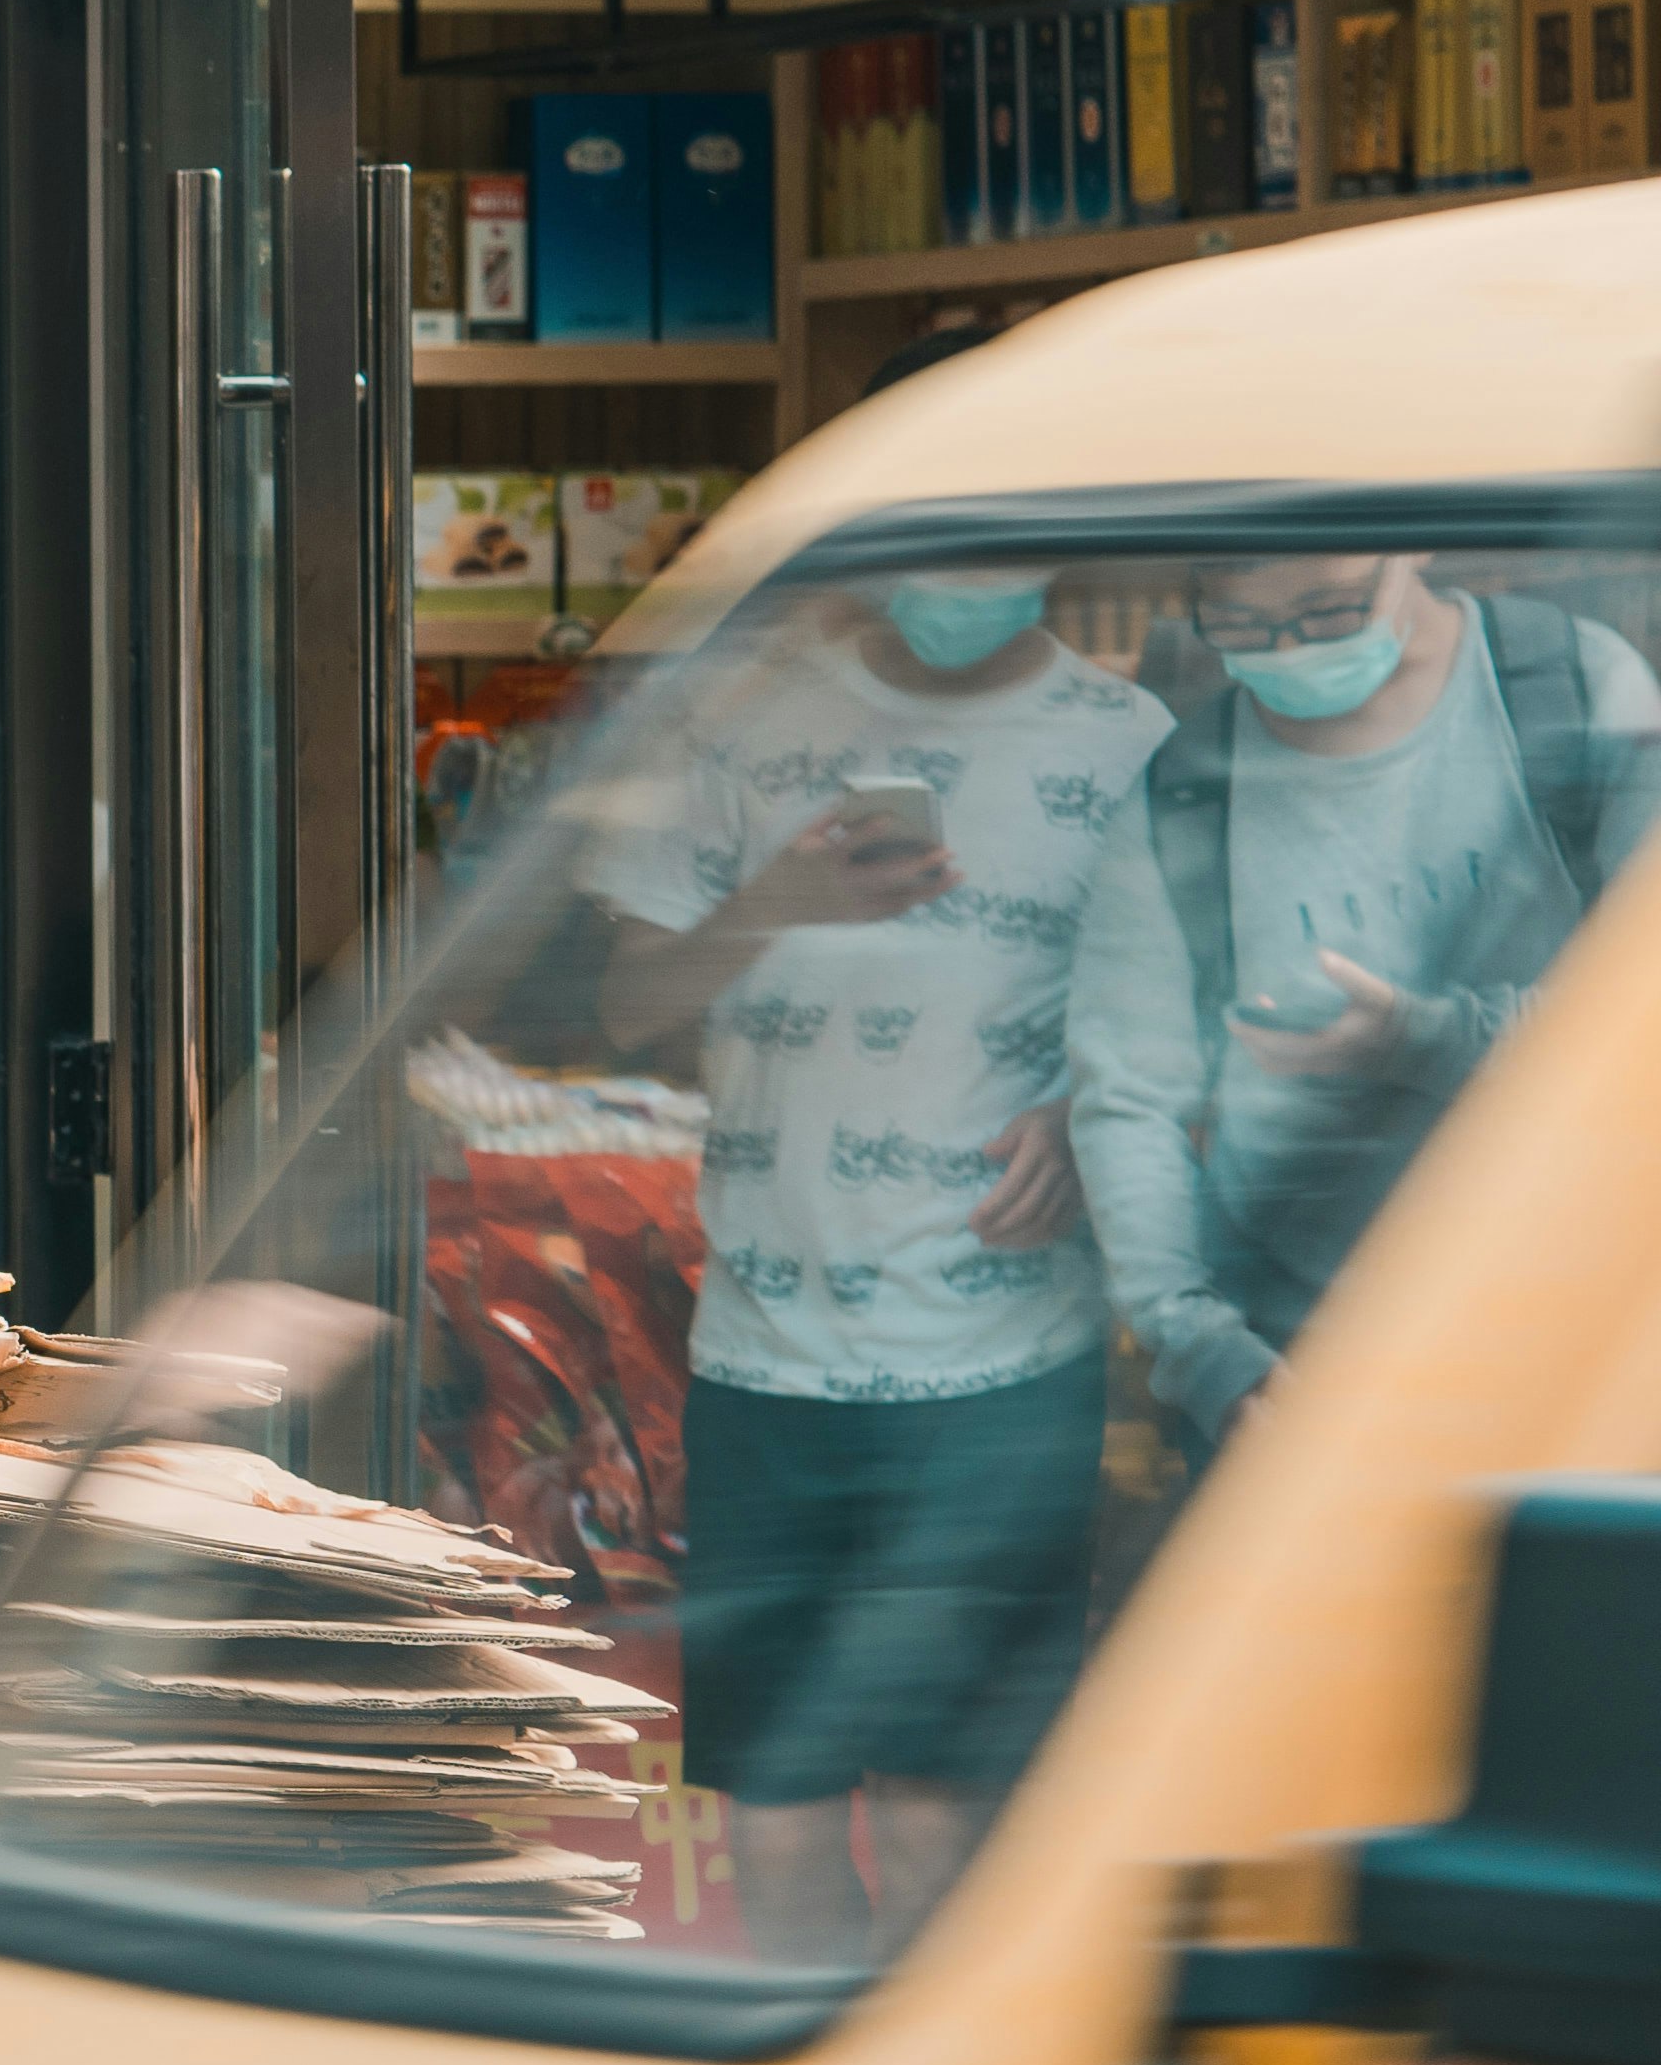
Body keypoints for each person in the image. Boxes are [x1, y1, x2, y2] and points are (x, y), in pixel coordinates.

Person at [585, 573, 1172, 1962]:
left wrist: (1093, 1121)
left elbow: (1188, 1029)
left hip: (1003, 1374)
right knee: (774, 1840)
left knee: (941, 1836)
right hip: (766, 1360)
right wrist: (774, 902)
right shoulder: (737, 719)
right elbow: (623, 1009)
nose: (958, 582)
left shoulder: (1131, 738)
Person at [1067, 548, 1661, 1448]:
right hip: (1291, 1342)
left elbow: (1639, 1019)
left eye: (1329, 611)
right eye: (1242, 628)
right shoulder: (1181, 788)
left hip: (1565, 1317)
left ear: (1410, 546)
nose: (1290, 650)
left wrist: (1423, 1039)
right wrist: (1201, 1347)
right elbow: (1130, 1099)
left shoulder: (1568, 685)